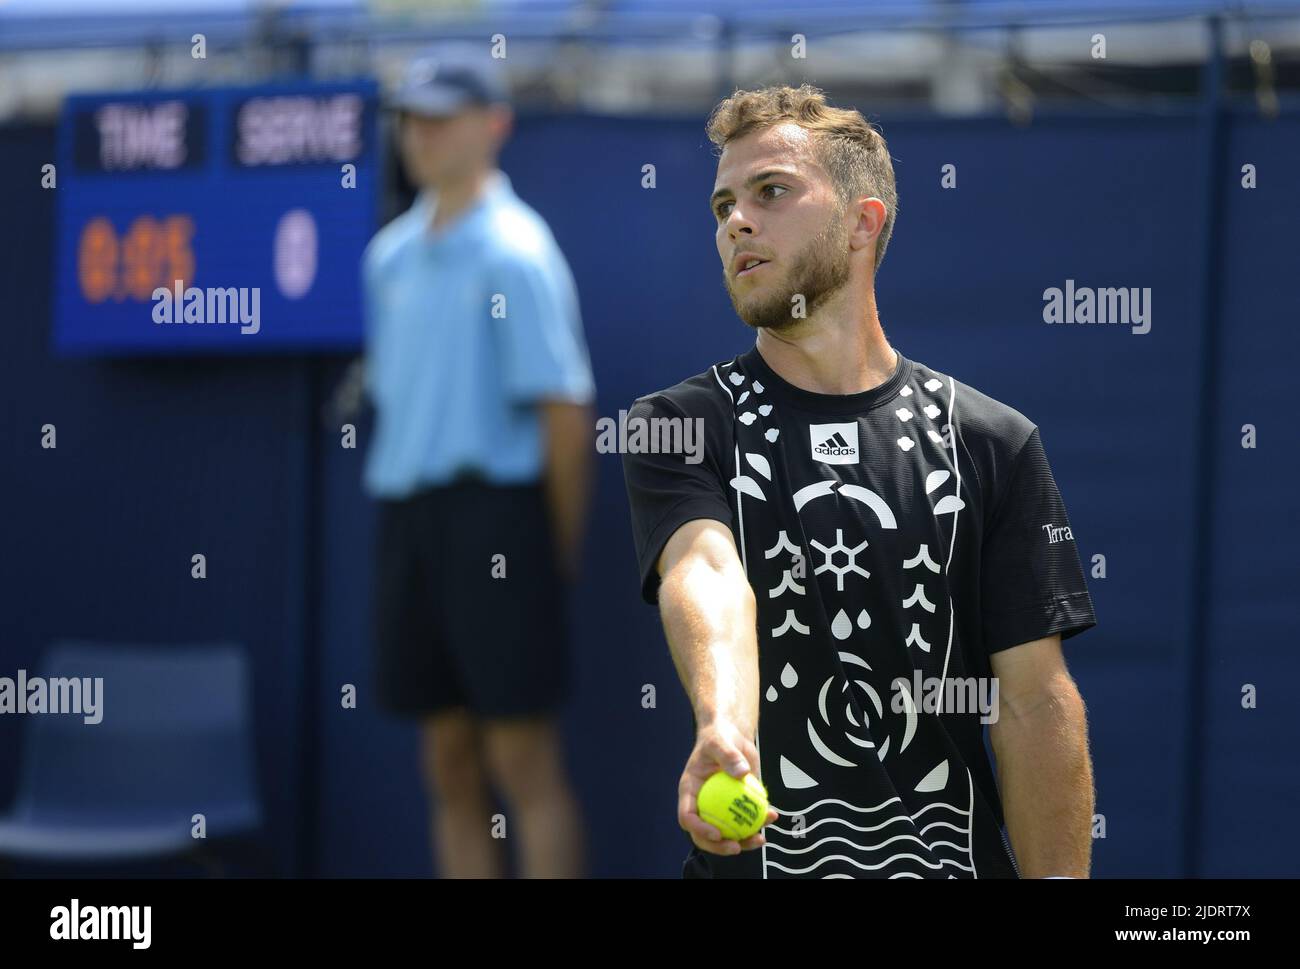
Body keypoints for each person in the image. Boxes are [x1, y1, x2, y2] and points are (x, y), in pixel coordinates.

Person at [621, 84, 1098, 879]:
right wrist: (725, 726)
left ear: (860, 223)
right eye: (722, 204)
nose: (736, 221)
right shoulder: (679, 423)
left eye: (771, 191)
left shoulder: (993, 441)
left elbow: (1033, 702)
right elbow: (706, 572)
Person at [359, 51, 594, 877]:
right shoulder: (386, 257)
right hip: (408, 526)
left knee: (524, 765)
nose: (421, 135)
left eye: (441, 117)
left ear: (494, 125)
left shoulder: (518, 252)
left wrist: (546, 549)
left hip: (500, 526)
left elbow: (566, 414)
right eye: (411, 118)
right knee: (447, 763)